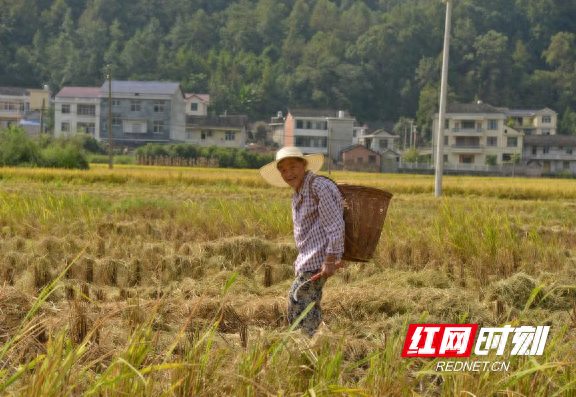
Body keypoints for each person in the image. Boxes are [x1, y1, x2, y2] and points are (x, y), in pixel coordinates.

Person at [259, 146, 345, 337]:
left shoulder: (318, 187)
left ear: (304, 165)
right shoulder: (298, 193)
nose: (288, 173)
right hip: (309, 259)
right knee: (307, 305)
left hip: (319, 261)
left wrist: (330, 261)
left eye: (293, 167)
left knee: (298, 301)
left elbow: (335, 226)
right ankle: (313, 346)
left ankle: (305, 345)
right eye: (283, 170)